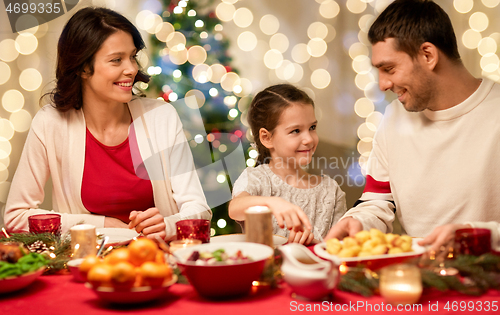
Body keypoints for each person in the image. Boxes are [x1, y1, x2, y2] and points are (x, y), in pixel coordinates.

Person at [4, 7, 211, 240]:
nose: (132, 68)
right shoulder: (50, 123)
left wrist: (168, 226)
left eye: (132, 56)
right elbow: (16, 217)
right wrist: (101, 224)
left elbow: (199, 210)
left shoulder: (161, 116)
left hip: (158, 263)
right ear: (83, 67)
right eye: (116, 60)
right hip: (86, 267)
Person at [325, 0, 500, 252]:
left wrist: (476, 236)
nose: (383, 84)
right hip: (413, 276)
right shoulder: (393, 117)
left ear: (428, 55)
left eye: (389, 68)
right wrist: (358, 222)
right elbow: (378, 201)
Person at [229, 84, 347, 245]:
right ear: (267, 138)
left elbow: (339, 248)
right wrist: (272, 203)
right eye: (296, 131)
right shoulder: (256, 179)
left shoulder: (331, 191)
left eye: (312, 127)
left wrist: (314, 244)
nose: (309, 139)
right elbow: (235, 208)